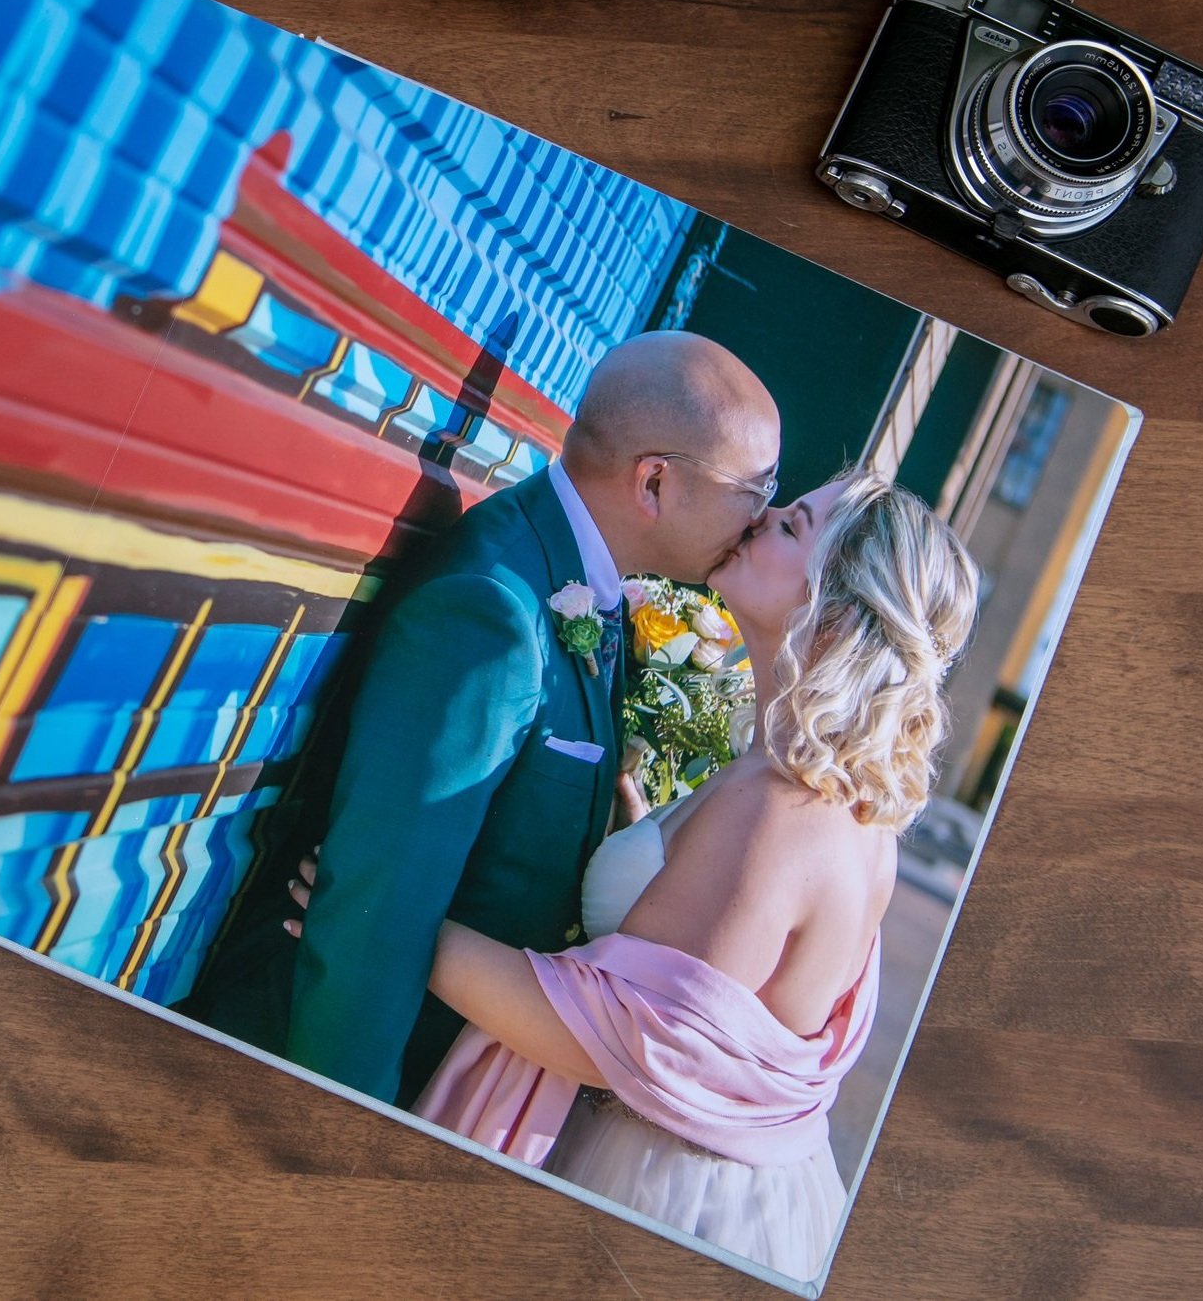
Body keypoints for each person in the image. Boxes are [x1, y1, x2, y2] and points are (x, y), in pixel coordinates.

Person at [286, 470, 979, 1284]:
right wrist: (644, 827)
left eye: (793, 526)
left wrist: (387, 916)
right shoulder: (842, 804)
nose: (761, 518)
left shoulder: (779, 809)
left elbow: (611, 1037)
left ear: (834, 615)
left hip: (657, 1197)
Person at [181, 330, 782, 1109]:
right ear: (655, 482)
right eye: (755, 488)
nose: (763, 515)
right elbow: (380, 903)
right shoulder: (493, 609)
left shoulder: (582, 582)